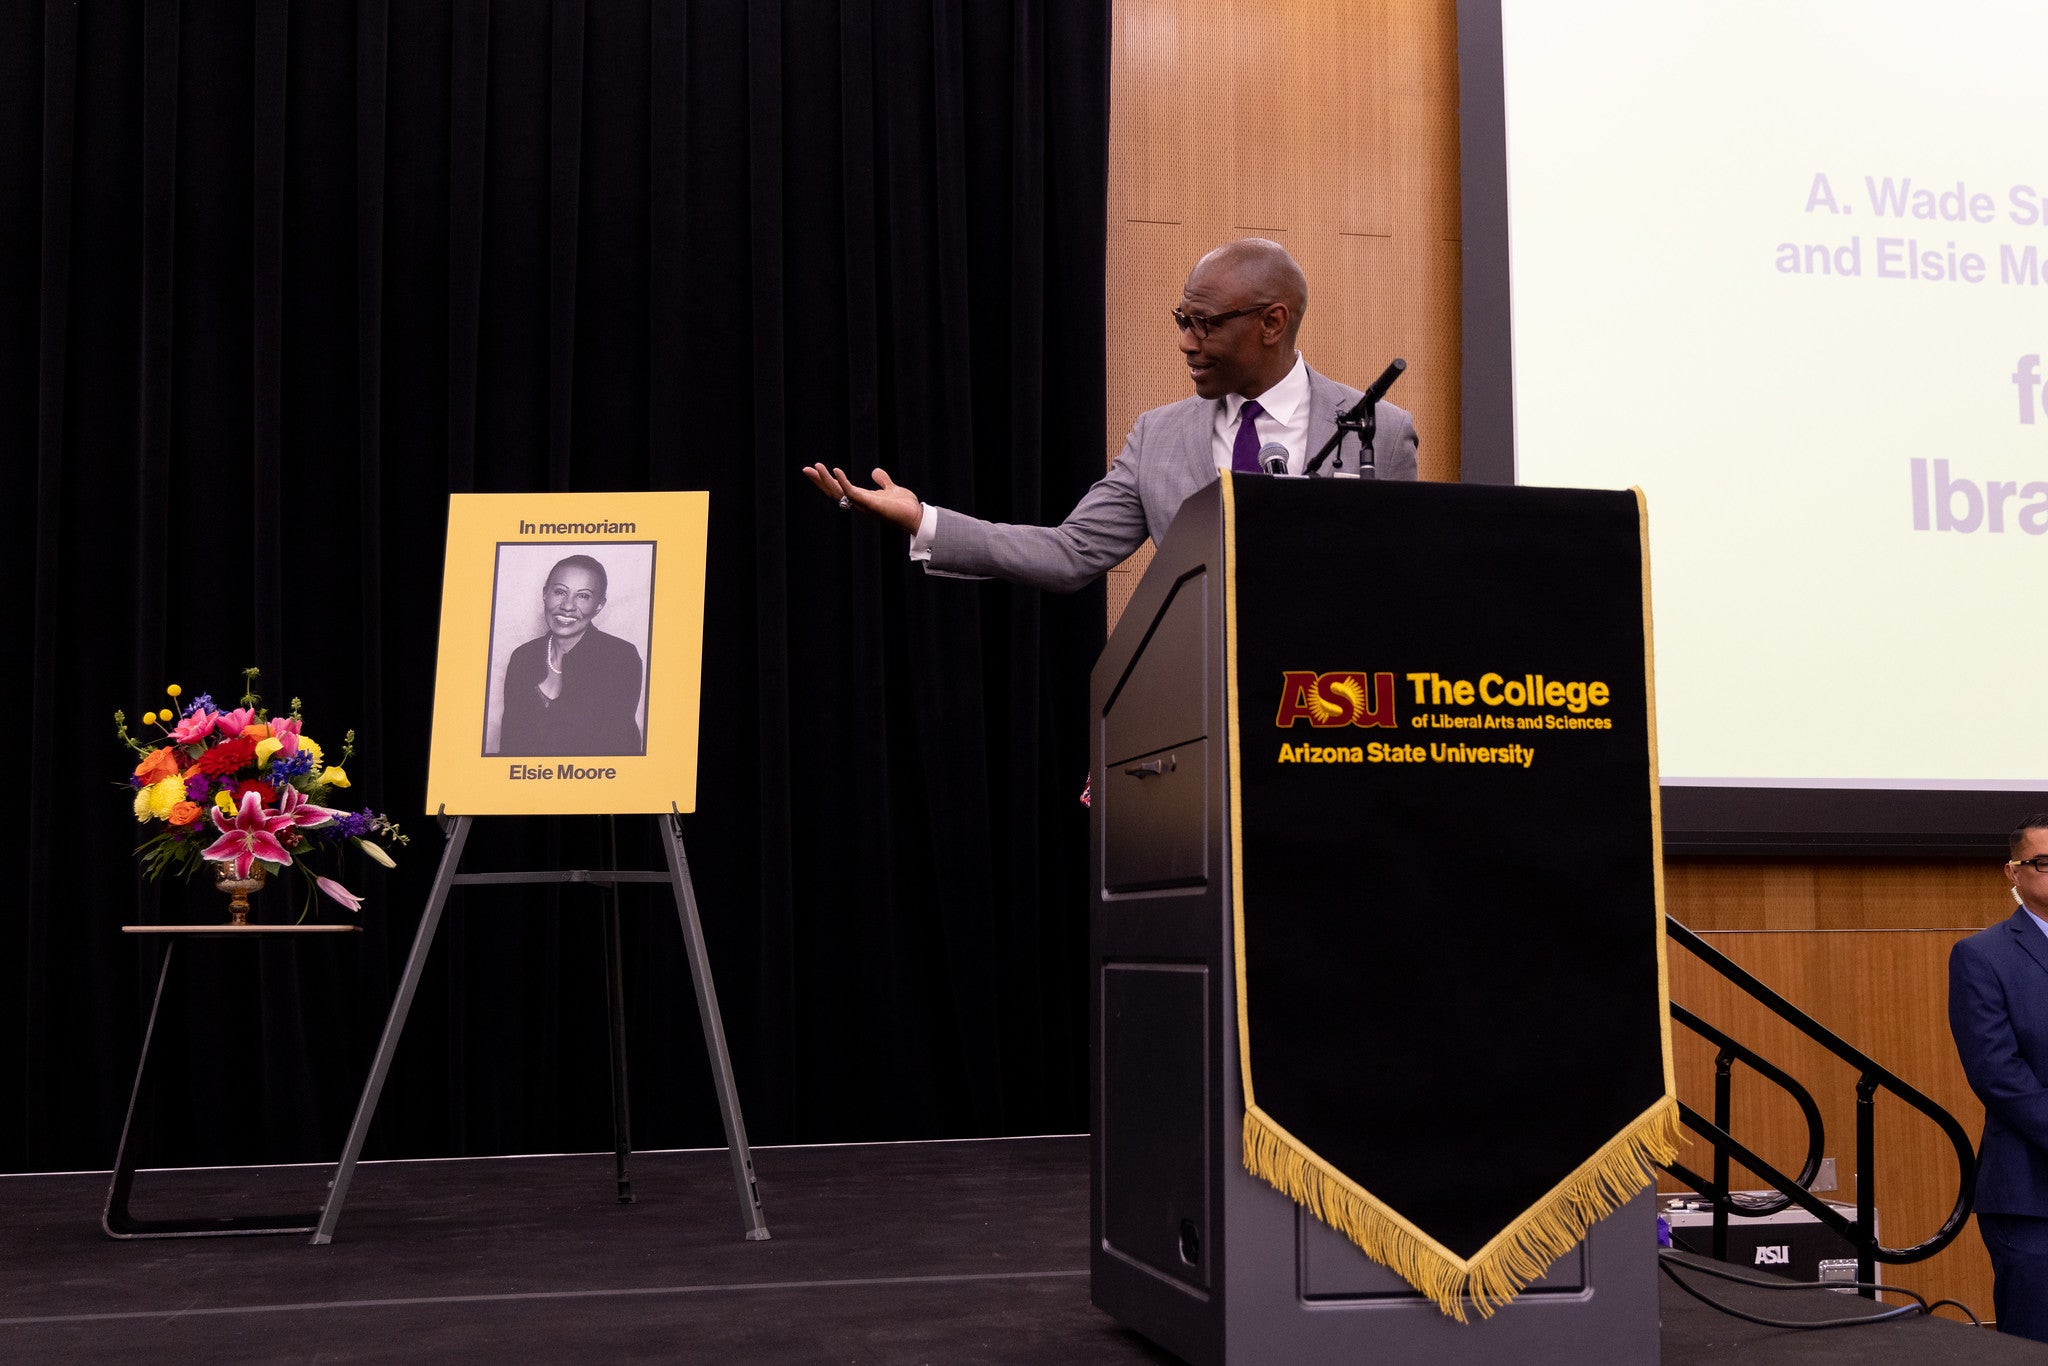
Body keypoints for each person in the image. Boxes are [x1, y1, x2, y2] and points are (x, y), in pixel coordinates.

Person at [801, 238, 1419, 592]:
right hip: (1198, 711)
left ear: (1272, 322)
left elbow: (1399, 589)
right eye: (1183, 321)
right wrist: (924, 520)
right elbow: (1070, 552)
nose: (1186, 342)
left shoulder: (1379, 432)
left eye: (1204, 323)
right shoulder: (1158, 438)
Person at [1948, 812, 2048, 1343]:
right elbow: (1997, 1073)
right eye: (2045, 862)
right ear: (2013, 872)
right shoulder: (1981, 956)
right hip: (2032, 1197)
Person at [493, 554, 646, 757]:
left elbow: (620, 747)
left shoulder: (620, 658)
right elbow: (510, 744)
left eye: (583, 596)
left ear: (599, 605)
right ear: (545, 594)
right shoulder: (523, 657)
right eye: (560, 592)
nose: (567, 606)